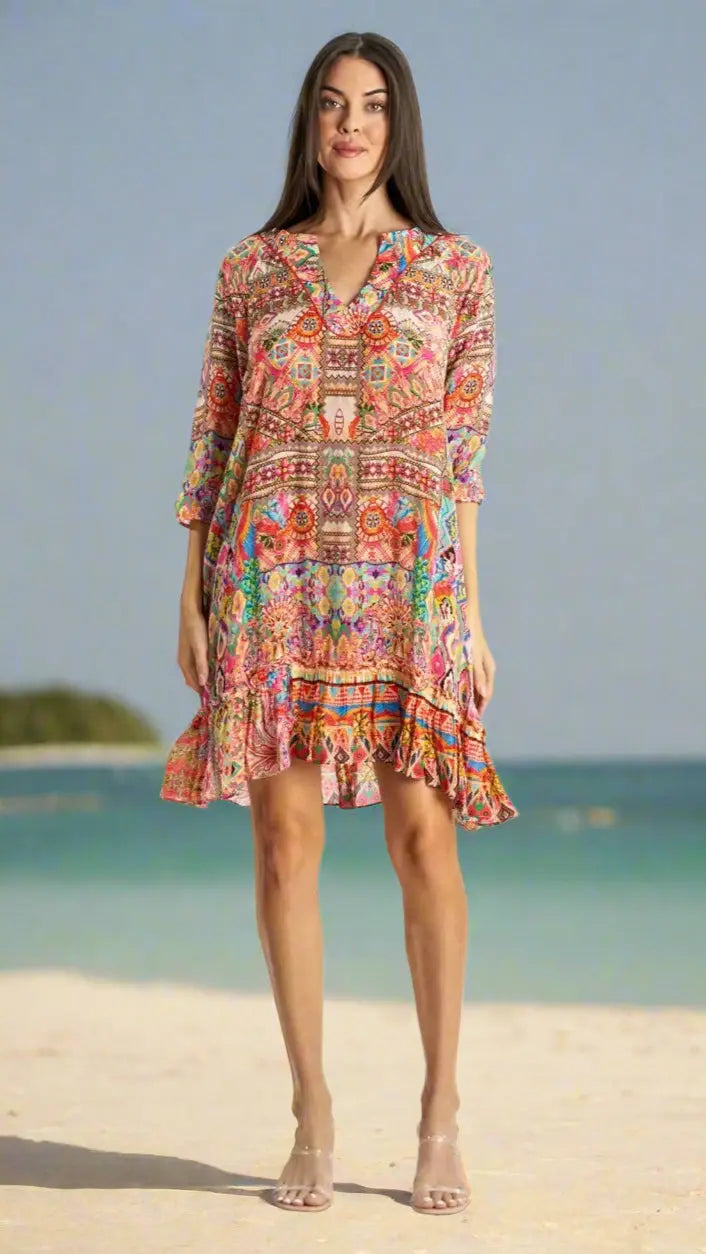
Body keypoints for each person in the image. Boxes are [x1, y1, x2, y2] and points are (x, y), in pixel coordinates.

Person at [161, 29, 519, 1216]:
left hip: (406, 580)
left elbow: (461, 458)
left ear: (397, 124)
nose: (351, 124)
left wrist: (468, 609)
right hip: (268, 574)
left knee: (424, 839)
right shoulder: (247, 271)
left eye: (371, 105)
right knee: (283, 846)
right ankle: (310, 1108)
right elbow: (215, 440)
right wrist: (194, 590)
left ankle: (439, 1110)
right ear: (309, 124)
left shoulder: (456, 270)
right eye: (331, 104)